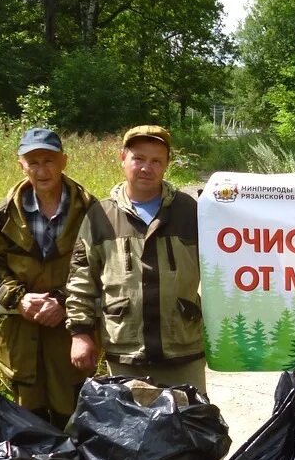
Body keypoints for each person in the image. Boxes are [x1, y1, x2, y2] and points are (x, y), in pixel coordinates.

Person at [65, 125, 207, 392]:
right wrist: (80, 333)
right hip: (125, 353)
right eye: (138, 158)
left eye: (156, 161)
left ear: (166, 165)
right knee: (131, 431)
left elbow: (223, 269)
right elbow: (81, 280)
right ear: (123, 158)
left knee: (191, 430)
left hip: (183, 351)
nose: (146, 168)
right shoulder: (100, 216)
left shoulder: (190, 212)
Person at [0, 127, 97, 426]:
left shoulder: (92, 210)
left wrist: (63, 301)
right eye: (33, 162)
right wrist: (18, 298)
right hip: (20, 340)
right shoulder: (2, 215)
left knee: (76, 422)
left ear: (64, 161)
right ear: (21, 165)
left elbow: (105, 266)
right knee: (28, 428)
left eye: (49, 161)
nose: (42, 170)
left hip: (71, 336)